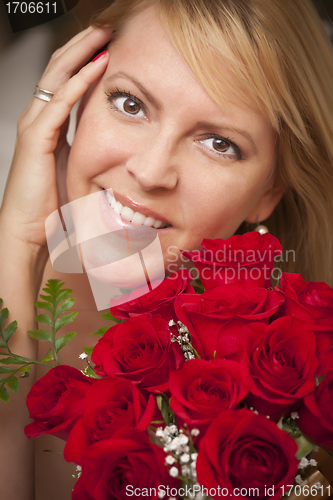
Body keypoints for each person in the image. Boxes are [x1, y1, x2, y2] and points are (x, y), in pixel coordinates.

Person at [0, 0, 332, 498]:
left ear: (268, 193)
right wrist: (19, 240)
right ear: (75, 100)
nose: (152, 173)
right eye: (131, 104)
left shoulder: (282, 402)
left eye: (219, 143)